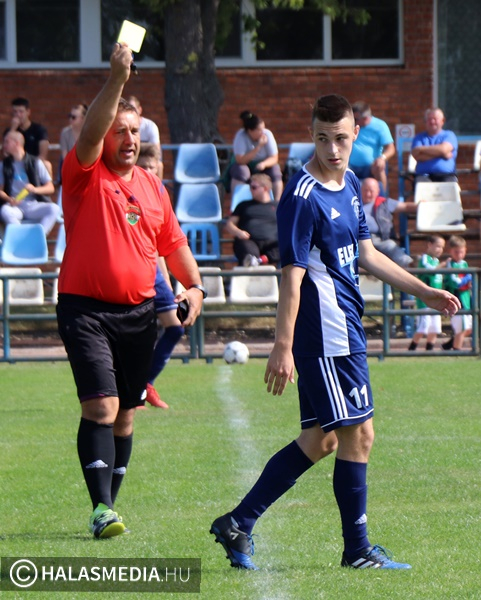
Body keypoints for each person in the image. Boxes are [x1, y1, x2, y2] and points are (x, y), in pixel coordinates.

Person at [210, 93, 460, 571]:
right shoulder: (301, 197)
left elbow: (367, 253)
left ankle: (238, 522)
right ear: (311, 135)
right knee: (359, 434)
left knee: (322, 438)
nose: (332, 149)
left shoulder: (348, 183)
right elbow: (292, 277)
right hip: (327, 334)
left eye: (341, 139)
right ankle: (357, 549)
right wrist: (282, 346)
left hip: (343, 327)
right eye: (323, 139)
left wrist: (424, 290)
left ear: (355, 135)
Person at [56, 42, 206, 540]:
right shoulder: (84, 174)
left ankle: (109, 506)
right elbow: (90, 132)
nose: (128, 139)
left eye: (135, 131)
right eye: (119, 131)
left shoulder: (152, 186)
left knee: (124, 417)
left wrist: (195, 287)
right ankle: (101, 509)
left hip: (139, 314)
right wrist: (118, 78)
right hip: (85, 311)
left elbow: (175, 244)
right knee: (100, 407)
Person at [136, 144, 185, 409]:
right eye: (142, 167)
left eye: (151, 167)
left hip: (154, 271)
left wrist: (166, 282)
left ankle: (146, 383)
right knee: (138, 333)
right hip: (134, 270)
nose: (147, 171)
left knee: (175, 327)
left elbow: (162, 245)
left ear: (160, 169)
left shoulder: (159, 195)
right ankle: (131, 390)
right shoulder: (129, 194)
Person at [0, 130, 59, 233]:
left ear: (16, 143)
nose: (4, 145)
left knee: (54, 208)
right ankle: (21, 236)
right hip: (15, 206)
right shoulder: (4, 165)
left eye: (7, 141)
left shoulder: (35, 162)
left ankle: (38, 236)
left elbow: (50, 188)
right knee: (5, 211)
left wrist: (34, 189)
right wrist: (9, 199)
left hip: (33, 205)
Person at [225, 173, 279, 267]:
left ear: (265, 188)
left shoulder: (278, 206)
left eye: (254, 187)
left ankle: (259, 261)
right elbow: (230, 224)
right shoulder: (243, 205)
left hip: (272, 242)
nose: (250, 190)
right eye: (250, 187)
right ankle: (253, 261)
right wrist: (238, 232)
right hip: (250, 240)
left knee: (288, 244)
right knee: (244, 247)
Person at [360, 177, 415, 267]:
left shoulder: (384, 203)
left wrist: (420, 205)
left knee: (391, 246)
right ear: (360, 190)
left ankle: (411, 268)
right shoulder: (353, 203)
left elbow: (405, 207)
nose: (368, 194)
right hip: (359, 238)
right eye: (365, 190)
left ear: (377, 191)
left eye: (371, 191)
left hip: (381, 239)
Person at [228, 111, 283, 201]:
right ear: (250, 131)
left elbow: (274, 158)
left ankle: (277, 203)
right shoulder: (241, 136)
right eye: (259, 130)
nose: (263, 132)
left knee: (275, 170)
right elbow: (240, 160)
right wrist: (258, 147)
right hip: (245, 164)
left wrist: (264, 164)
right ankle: (238, 203)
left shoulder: (268, 134)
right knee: (241, 171)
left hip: (262, 165)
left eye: (263, 129)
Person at [408, 235, 446, 351]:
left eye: (442, 247)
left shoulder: (436, 261)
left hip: (436, 299)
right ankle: (411, 349)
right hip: (425, 301)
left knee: (435, 327)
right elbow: (429, 270)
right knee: (423, 326)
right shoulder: (425, 258)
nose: (440, 249)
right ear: (429, 245)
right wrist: (441, 266)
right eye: (438, 246)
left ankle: (429, 350)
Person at [349, 101, 395, 194]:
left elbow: (391, 148)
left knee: (379, 167)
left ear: (365, 118)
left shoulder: (380, 126)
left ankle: (382, 198)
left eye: (356, 119)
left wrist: (382, 158)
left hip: (371, 167)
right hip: (350, 165)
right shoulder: (350, 125)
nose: (353, 121)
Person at [6, 97, 52, 176]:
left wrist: (30, 165)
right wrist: (13, 129)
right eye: (15, 112)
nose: (18, 115)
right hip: (15, 164)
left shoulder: (39, 130)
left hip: (34, 163)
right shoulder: (9, 132)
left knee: (47, 165)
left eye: (21, 112)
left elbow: (43, 155)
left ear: (28, 112)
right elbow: (5, 153)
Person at [411, 108, 458, 184]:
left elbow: (444, 149)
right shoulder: (419, 137)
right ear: (425, 122)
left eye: (435, 119)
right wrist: (442, 154)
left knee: (449, 188)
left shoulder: (449, 135)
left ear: (442, 121)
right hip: (423, 176)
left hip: (447, 176)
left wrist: (421, 149)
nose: (432, 121)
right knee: (422, 187)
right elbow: (416, 155)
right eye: (429, 119)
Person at [442, 235, 472, 351]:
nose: (459, 255)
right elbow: (456, 283)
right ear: (450, 251)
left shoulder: (464, 264)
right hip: (457, 300)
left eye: (461, 252)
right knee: (461, 328)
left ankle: (449, 345)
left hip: (466, 299)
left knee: (469, 328)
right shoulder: (451, 264)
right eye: (456, 252)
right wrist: (468, 278)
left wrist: (468, 280)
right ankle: (456, 350)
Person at [126, 96, 163, 179]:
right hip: (130, 156)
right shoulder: (124, 126)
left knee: (159, 164)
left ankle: (157, 186)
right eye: (128, 109)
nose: (131, 112)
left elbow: (156, 150)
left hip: (145, 156)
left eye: (133, 109)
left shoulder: (150, 126)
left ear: (139, 110)